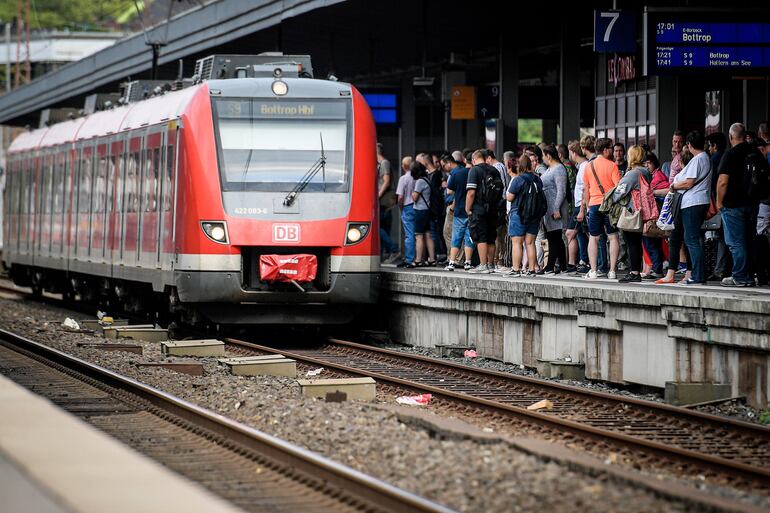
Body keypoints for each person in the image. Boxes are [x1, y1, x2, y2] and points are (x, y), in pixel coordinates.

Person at [656, 131, 712, 285]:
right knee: (684, 237)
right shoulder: (703, 158)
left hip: (693, 203)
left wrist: (674, 185)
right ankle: (688, 273)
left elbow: (688, 183)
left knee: (691, 239)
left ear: (689, 145)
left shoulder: (698, 159)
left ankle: (697, 275)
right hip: (692, 203)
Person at [717, 123, 763, 287]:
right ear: (744, 136)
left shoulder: (730, 154)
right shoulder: (755, 152)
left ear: (731, 137)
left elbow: (723, 182)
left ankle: (740, 276)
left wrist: (719, 202)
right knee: (749, 240)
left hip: (733, 205)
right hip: (752, 203)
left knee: (736, 242)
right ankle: (750, 275)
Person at [581, 138, 621, 279]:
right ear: (605, 150)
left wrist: (587, 207)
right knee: (613, 237)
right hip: (609, 206)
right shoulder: (612, 166)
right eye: (610, 148)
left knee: (593, 237)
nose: (612, 151)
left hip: (593, 205)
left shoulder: (588, 166)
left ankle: (593, 270)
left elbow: (586, 189)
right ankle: (612, 271)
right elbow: (618, 188)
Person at [612, 146, 652, 283]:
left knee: (631, 242)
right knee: (636, 241)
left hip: (632, 211)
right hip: (641, 210)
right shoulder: (646, 172)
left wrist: (612, 197)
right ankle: (636, 270)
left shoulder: (633, 173)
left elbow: (620, 191)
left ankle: (634, 272)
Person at [505, 154, 542, 277]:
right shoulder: (538, 179)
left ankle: (516, 269)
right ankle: (531, 269)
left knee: (517, 243)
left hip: (518, 214)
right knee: (530, 243)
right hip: (534, 215)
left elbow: (509, 197)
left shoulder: (518, 179)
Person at [466, 150, 501, 273]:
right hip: (493, 209)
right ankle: (491, 264)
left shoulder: (474, 170)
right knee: (491, 237)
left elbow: (471, 192)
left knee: (481, 236)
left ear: (474, 159)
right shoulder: (494, 170)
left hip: (479, 209)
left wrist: (467, 208)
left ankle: (483, 265)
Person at [540, 145, 569, 274]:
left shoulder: (558, 169)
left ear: (549, 156)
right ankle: (563, 265)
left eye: (543, 156)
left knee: (554, 237)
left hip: (555, 208)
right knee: (555, 237)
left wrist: (557, 208)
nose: (542, 158)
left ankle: (550, 266)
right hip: (549, 209)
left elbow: (561, 190)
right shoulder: (549, 169)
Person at [444, 153, 474, 271]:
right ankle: (468, 262)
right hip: (471, 211)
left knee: (456, 237)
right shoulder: (475, 173)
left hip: (459, 210)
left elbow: (449, 191)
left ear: (464, 160)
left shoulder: (457, 173)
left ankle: (451, 262)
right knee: (469, 237)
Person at [640, 152, 668, 279]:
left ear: (654, 163)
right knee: (652, 242)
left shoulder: (658, 176)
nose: (646, 165)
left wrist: (652, 192)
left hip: (654, 214)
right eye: (644, 163)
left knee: (651, 241)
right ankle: (656, 268)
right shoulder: (653, 175)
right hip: (655, 213)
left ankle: (657, 269)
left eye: (648, 163)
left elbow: (665, 190)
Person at [566, 140, 589, 273]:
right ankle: (583, 260)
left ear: (573, 153)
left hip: (581, 205)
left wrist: (581, 209)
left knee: (570, 233)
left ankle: (572, 262)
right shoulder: (581, 166)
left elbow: (585, 188)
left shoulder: (584, 166)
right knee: (580, 233)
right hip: (579, 204)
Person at [376, 143, 400, 262]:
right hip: (384, 200)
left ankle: (393, 249)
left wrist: (377, 196)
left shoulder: (384, 163)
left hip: (384, 200)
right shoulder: (380, 164)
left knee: (378, 227)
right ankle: (387, 253)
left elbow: (386, 181)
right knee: (384, 227)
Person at [410, 161, 436, 267]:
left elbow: (414, 197)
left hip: (420, 211)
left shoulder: (420, 181)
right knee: (428, 235)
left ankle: (418, 260)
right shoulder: (426, 179)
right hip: (427, 210)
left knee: (418, 236)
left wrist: (412, 193)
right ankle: (432, 259)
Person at [395, 156, 415, 268]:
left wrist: (400, 207)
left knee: (409, 235)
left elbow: (400, 197)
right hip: (418, 207)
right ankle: (419, 258)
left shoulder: (403, 179)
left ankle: (409, 259)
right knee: (419, 234)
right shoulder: (417, 178)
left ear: (404, 166)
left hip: (407, 206)